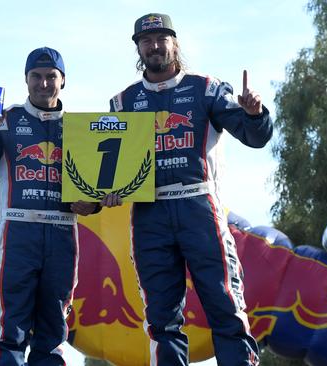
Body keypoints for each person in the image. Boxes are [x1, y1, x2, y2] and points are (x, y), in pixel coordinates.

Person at [104, 13, 273, 366]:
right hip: (149, 215)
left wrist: (255, 114)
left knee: (225, 303)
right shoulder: (122, 102)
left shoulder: (206, 88)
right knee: (161, 318)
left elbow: (254, 137)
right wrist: (105, 192)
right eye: (146, 40)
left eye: (160, 38)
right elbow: (109, 170)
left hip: (198, 205)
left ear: (174, 43)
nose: (153, 46)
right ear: (137, 48)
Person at [0, 47, 101, 366]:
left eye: (51, 76)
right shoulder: (3, 120)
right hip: (17, 233)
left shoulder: (81, 128)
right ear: (25, 80)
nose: (43, 83)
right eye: (36, 76)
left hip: (63, 235)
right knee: (11, 330)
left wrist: (92, 205)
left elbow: (93, 194)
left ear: (63, 81)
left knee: (52, 334)